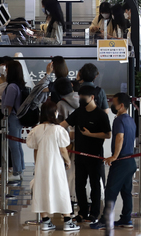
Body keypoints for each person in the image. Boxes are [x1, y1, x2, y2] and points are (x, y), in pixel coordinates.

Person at [60, 85, 111, 223]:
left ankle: (94, 213)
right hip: (79, 155)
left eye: (84, 97)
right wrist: (50, 129)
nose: (81, 99)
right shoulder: (79, 112)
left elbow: (108, 134)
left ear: (92, 97)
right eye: (80, 96)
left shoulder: (101, 115)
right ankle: (82, 212)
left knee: (95, 185)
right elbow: (64, 124)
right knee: (79, 184)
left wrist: (91, 134)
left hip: (94, 156)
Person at [26, 101, 80, 231]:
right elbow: (63, 149)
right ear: (54, 113)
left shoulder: (35, 130)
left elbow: (35, 149)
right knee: (61, 189)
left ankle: (45, 221)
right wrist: (67, 161)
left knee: (42, 190)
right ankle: (67, 221)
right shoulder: (58, 130)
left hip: (41, 165)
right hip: (56, 165)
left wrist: (37, 164)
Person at [91, 93, 137, 229]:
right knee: (126, 191)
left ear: (121, 105)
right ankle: (126, 219)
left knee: (111, 190)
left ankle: (106, 221)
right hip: (130, 161)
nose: (112, 105)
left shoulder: (118, 120)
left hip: (121, 161)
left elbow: (120, 138)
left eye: (114, 103)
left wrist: (114, 156)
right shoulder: (130, 120)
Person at [1, 61, 27, 182]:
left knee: (14, 145)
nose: (5, 71)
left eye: (6, 69)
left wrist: (4, 118)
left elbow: (9, 105)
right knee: (17, 144)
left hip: (12, 117)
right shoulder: (19, 85)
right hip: (18, 118)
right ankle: (20, 169)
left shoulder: (11, 87)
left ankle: (17, 171)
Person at [54, 76, 79, 204]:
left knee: (68, 168)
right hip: (83, 138)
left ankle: (69, 195)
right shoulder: (82, 97)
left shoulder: (60, 104)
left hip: (67, 141)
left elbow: (59, 126)